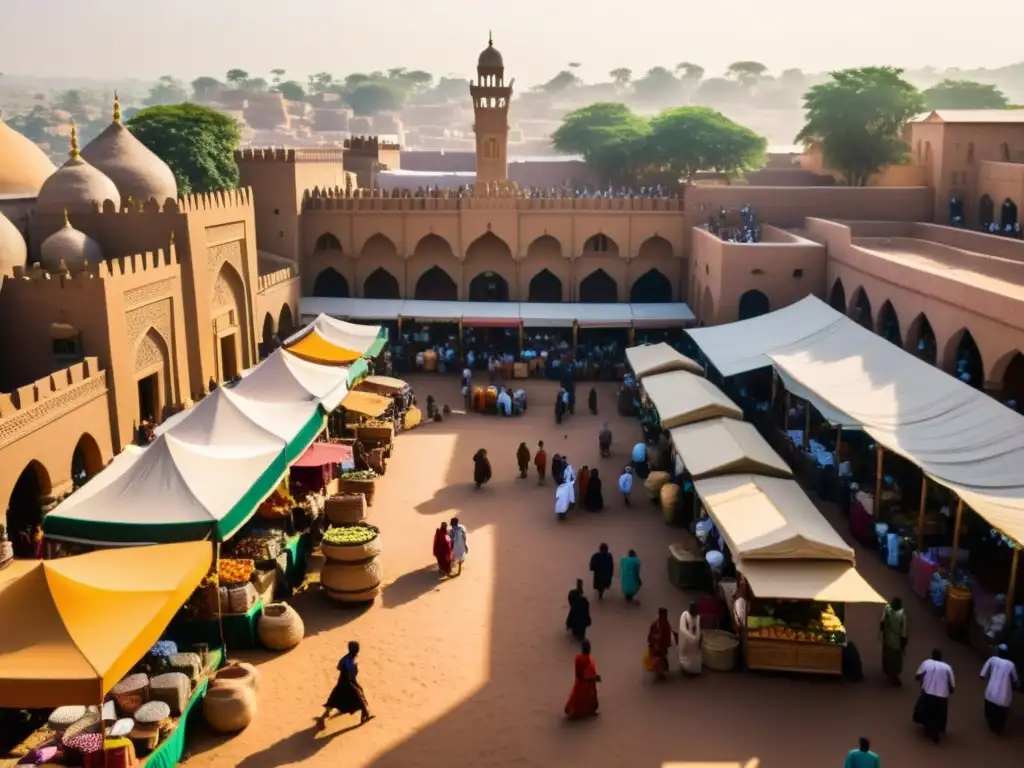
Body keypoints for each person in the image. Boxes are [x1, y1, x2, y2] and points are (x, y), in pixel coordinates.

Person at [320, 641, 372, 725]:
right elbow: (350, 676)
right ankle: (365, 713)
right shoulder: (351, 661)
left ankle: (326, 714)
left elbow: (339, 667)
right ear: (357, 650)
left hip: (342, 682)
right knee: (359, 697)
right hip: (348, 683)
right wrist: (355, 684)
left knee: (334, 698)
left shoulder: (345, 659)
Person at [913, 648, 955, 742]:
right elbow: (952, 684)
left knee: (926, 710)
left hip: (928, 692)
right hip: (942, 695)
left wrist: (920, 680)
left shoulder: (927, 663)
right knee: (939, 713)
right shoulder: (947, 667)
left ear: (932, 655)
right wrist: (951, 690)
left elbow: (918, 675)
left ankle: (928, 729)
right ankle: (937, 730)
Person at [980, 644, 1019, 734]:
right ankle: (998, 728)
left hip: (991, 690)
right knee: (1001, 712)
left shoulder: (992, 659)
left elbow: (982, 674)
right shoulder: (1011, 665)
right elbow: (1015, 680)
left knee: (990, 708)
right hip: (1004, 693)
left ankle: (991, 724)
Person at [564, 639, 601, 720]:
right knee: (586, 699)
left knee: (577, 699)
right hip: (586, 683)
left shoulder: (578, 658)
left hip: (581, 682)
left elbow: (580, 673)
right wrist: (594, 678)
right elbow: (588, 672)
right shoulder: (588, 659)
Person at [880, 596, 908, 685]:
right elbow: (904, 632)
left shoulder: (887, 609)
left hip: (887, 638)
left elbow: (882, 621)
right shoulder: (902, 615)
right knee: (896, 659)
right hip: (897, 642)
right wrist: (904, 644)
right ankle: (894, 675)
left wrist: (881, 632)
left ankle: (888, 672)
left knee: (887, 656)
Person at [645, 607, 676, 680]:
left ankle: (661, 671)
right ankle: (660, 671)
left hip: (661, 648)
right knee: (660, 659)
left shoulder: (664, 624)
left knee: (662, 658)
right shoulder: (658, 625)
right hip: (658, 648)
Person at [678, 602, 702, 675]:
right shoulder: (685, 615)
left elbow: (698, 628)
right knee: (685, 655)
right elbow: (683, 629)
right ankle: (685, 668)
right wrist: (691, 637)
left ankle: (694, 669)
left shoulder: (697, 617)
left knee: (694, 656)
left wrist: (697, 638)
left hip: (694, 644)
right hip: (686, 642)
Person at [566, 578, 591, 643]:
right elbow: (587, 613)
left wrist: (568, 624)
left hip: (577, 624)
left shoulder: (575, 603)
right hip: (582, 624)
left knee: (576, 637)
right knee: (581, 637)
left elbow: (571, 614)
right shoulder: (584, 601)